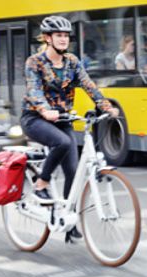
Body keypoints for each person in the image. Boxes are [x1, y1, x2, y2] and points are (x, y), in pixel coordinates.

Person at [20, 16, 119, 242]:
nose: (64, 39)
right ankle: (41, 183)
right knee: (62, 143)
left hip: (62, 119)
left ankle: (68, 219)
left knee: (73, 172)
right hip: (35, 118)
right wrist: (45, 110)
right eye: (59, 35)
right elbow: (34, 90)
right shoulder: (34, 62)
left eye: (66, 36)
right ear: (47, 38)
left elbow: (88, 85)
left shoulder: (72, 62)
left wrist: (106, 106)